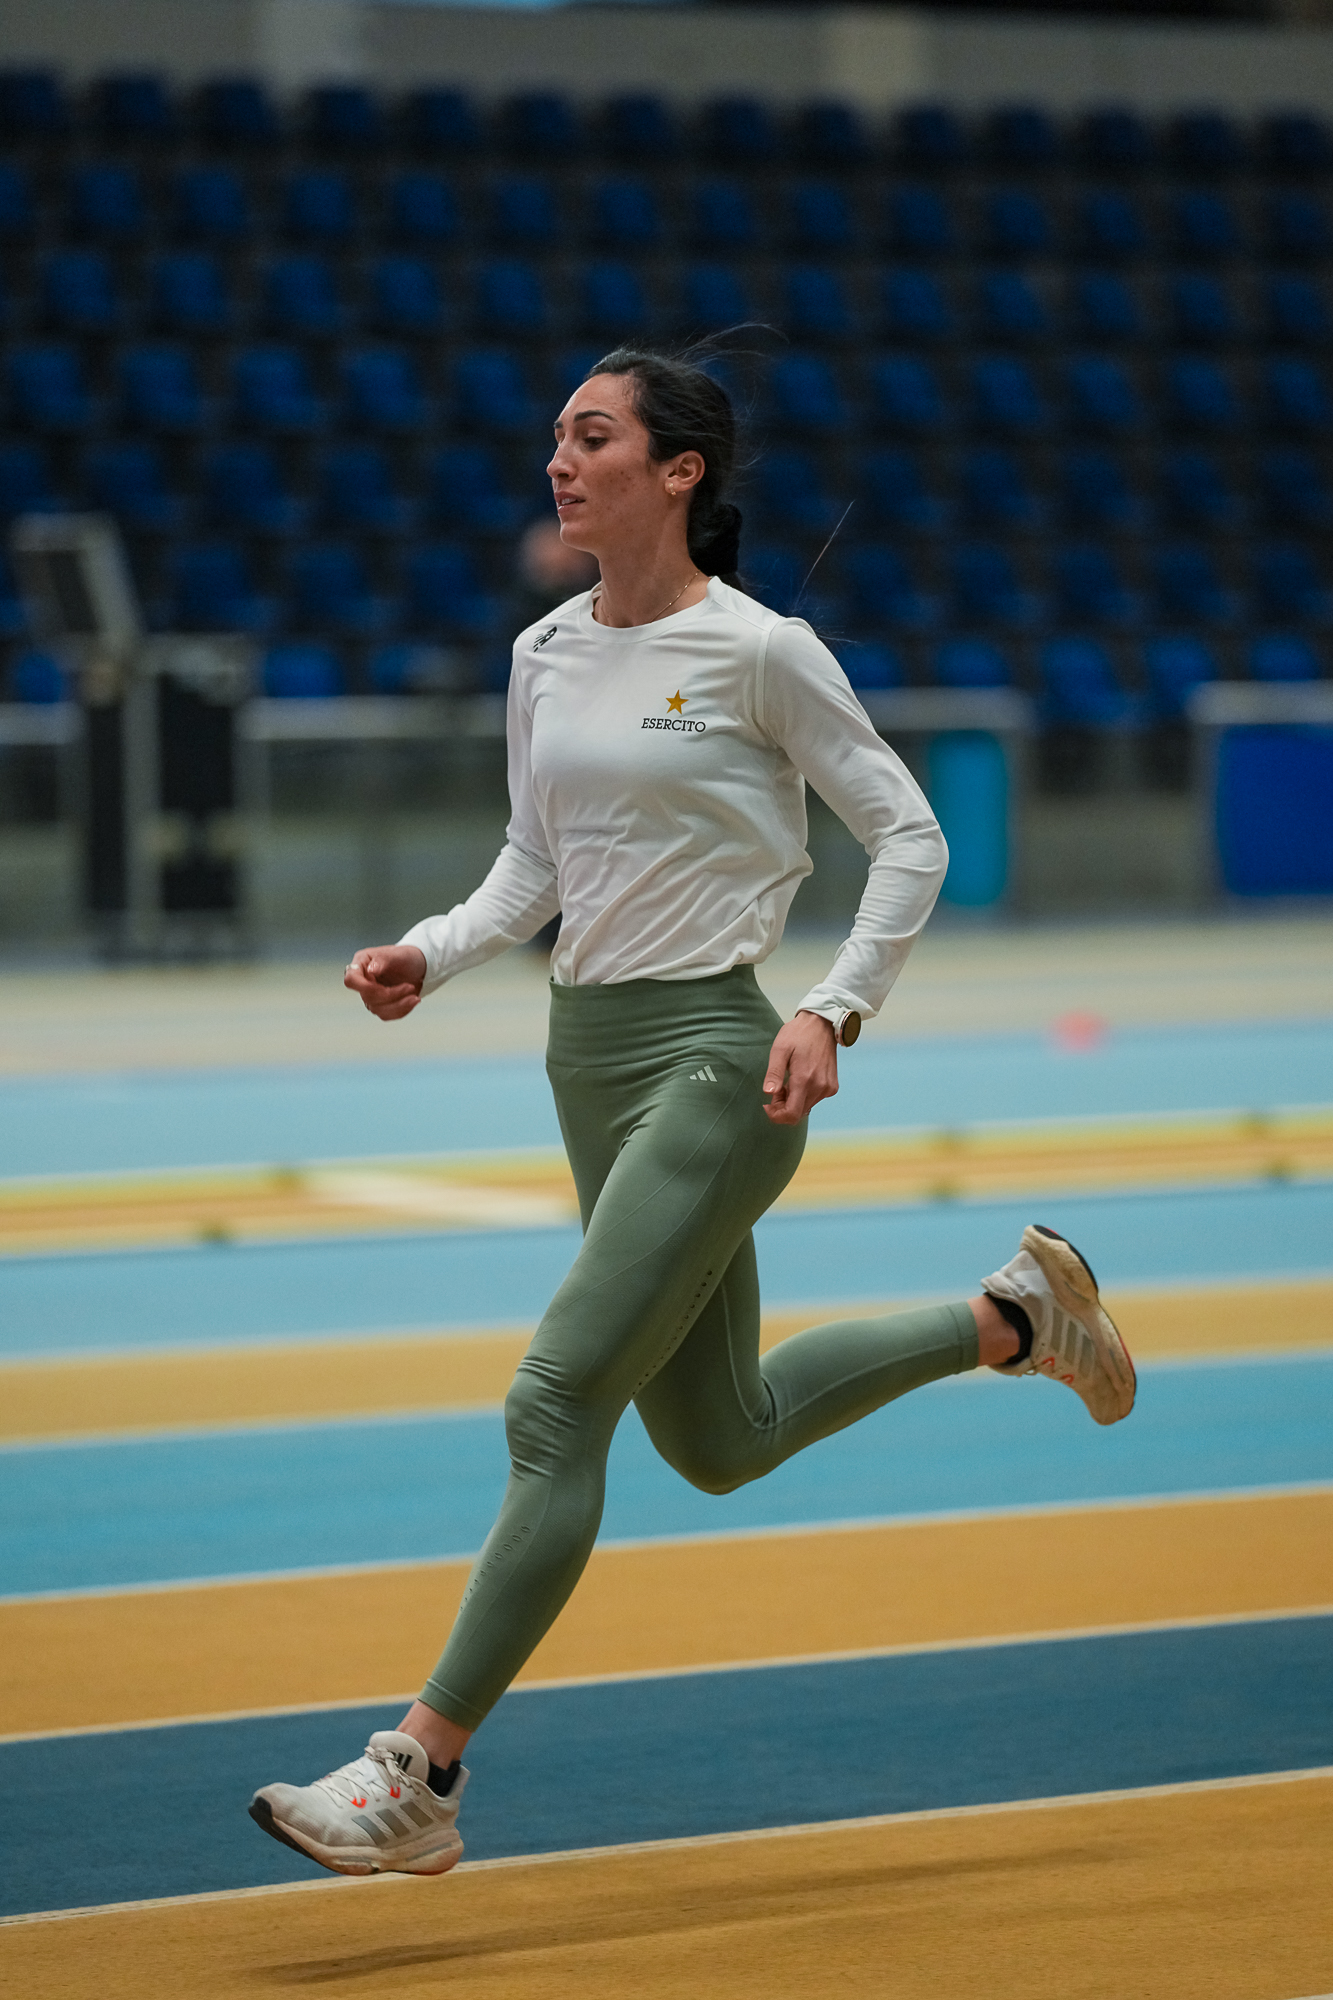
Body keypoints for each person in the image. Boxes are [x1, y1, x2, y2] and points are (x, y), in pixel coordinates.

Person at [250, 348, 1136, 1880]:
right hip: (584, 1062)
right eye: (554, 435)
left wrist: (830, 1007)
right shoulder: (541, 652)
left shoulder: (760, 650)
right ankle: (1012, 1317)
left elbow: (907, 839)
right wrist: (429, 954)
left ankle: (418, 1775)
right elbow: (533, 863)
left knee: (553, 1405)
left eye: (590, 435)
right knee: (722, 1439)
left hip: (720, 1063)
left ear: (678, 472)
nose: (557, 458)